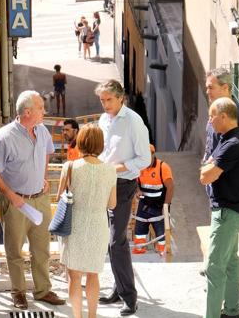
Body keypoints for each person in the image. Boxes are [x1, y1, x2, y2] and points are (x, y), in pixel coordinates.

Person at [0, 90, 66, 310]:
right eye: (41, 108)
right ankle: (18, 293)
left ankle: (43, 290)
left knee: (42, 250)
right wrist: (11, 196)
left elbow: (47, 152)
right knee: (15, 251)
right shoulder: (4, 137)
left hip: (40, 199)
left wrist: (44, 176)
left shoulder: (42, 131)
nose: (45, 111)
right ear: (28, 112)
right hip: (15, 202)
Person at [95, 80, 150, 316]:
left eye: (109, 99)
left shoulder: (134, 122)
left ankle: (130, 297)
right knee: (110, 240)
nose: (105, 104)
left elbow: (144, 159)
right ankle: (118, 289)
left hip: (124, 184)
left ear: (121, 98)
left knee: (116, 241)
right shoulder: (103, 120)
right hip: (104, 183)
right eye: (102, 100)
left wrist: (119, 167)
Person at [57, 124, 117, 318]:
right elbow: (112, 204)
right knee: (93, 274)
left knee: (74, 276)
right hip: (98, 226)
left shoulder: (70, 167)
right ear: (101, 144)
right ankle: (92, 316)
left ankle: (77, 316)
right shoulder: (110, 170)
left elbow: (60, 197)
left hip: (73, 226)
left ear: (80, 142)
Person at [200, 98, 239, 318]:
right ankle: (232, 312)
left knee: (214, 268)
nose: (210, 121)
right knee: (231, 261)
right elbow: (209, 169)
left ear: (223, 116)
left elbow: (205, 176)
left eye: (212, 116)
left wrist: (208, 165)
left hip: (227, 214)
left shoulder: (233, 144)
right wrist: (210, 164)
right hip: (232, 210)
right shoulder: (230, 138)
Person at [132, 144, 174, 255]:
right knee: (139, 235)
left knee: (162, 238)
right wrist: (137, 191)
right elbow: (134, 182)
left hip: (159, 208)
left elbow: (170, 188)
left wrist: (166, 206)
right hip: (144, 206)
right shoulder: (139, 167)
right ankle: (140, 255)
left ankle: (163, 258)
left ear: (153, 154)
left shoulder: (163, 167)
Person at [204, 68, 239, 162]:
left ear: (225, 88)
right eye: (207, 88)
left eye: (210, 87)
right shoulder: (215, 109)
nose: (207, 92)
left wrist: (217, 167)